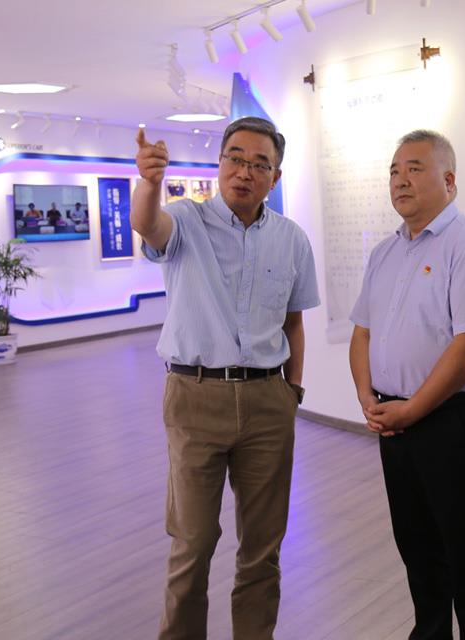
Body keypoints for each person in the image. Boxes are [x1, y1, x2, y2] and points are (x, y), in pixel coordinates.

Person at [132, 116, 320, 639]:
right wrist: (148, 182)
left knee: (263, 546)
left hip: (267, 401)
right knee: (192, 543)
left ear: (275, 177)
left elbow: (294, 323)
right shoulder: (185, 221)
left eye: (260, 164)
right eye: (235, 158)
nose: (245, 172)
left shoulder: (291, 239)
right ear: (219, 164)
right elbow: (148, 226)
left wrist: (291, 392)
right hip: (195, 397)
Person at [349, 129, 465, 638]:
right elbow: (362, 331)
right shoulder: (385, 252)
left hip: (453, 419)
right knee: (417, 547)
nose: (400, 180)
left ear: (449, 180)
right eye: (394, 171)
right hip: (395, 421)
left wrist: (413, 408)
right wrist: (367, 398)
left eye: (414, 169)